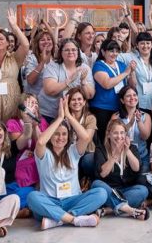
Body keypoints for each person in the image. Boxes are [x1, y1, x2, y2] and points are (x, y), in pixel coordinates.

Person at [26, 98, 106, 230]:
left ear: (68, 136)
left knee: (101, 193)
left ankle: (58, 220)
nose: (60, 138)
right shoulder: (44, 153)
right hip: (50, 202)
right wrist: (59, 118)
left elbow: (86, 137)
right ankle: (73, 220)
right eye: (56, 134)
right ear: (50, 136)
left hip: (72, 200)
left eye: (64, 134)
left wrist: (68, 115)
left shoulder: (73, 150)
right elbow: (40, 141)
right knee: (32, 197)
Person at [93, 119, 150, 220]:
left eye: (122, 133)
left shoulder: (132, 148)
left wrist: (127, 151)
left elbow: (136, 168)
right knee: (96, 184)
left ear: (126, 134)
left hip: (125, 191)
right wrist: (114, 155)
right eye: (115, 133)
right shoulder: (100, 149)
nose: (119, 136)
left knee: (143, 190)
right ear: (108, 134)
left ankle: (108, 209)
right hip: (109, 190)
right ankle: (130, 210)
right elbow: (103, 174)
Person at [41, 39, 95, 121]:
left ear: (78, 52)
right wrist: (70, 80)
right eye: (67, 50)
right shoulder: (53, 66)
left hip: (74, 114)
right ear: (61, 52)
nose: (70, 52)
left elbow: (89, 96)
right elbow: (49, 90)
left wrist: (84, 82)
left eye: (74, 50)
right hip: (50, 113)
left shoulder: (85, 68)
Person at [92, 38, 133, 144]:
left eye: (116, 51)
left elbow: (131, 85)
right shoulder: (99, 65)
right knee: (104, 139)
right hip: (102, 109)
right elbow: (107, 84)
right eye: (111, 51)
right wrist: (125, 73)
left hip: (119, 108)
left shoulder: (121, 64)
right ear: (103, 52)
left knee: (117, 138)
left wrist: (132, 72)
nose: (114, 54)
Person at [115, 86, 152, 171]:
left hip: (142, 156)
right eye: (128, 96)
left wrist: (139, 121)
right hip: (122, 156)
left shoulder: (146, 116)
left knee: (141, 178)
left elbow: (145, 137)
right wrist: (130, 123)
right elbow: (114, 137)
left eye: (134, 95)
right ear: (122, 100)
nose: (132, 98)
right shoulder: (116, 117)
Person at [22, 26, 56, 98]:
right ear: (37, 44)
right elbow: (30, 81)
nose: (46, 42)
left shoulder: (56, 59)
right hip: (35, 98)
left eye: (49, 39)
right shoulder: (32, 58)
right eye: (42, 40)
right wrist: (42, 62)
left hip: (52, 99)